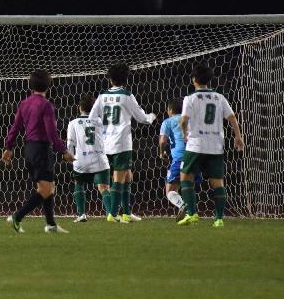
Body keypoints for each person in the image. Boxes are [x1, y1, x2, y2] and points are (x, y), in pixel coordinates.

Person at [3, 69, 74, 234]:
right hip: (41, 148)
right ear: (49, 85)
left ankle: (51, 225)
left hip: (29, 149)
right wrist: (63, 150)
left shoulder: (24, 103)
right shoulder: (46, 105)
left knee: (49, 187)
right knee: (45, 189)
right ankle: (17, 216)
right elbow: (51, 131)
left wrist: (8, 147)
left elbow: (15, 127)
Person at [178, 62, 245, 227]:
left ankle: (192, 213)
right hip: (216, 146)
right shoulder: (219, 97)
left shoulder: (190, 98)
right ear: (209, 80)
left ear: (194, 79)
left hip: (196, 145)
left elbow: (184, 120)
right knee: (217, 182)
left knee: (185, 177)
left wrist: (184, 133)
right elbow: (232, 118)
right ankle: (219, 219)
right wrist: (238, 136)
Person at [88, 63, 156, 222]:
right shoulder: (127, 95)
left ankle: (126, 212)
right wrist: (152, 116)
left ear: (110, 79)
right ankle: (112, 214)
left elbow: (91, 119)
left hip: (106, 143)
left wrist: (105, 126)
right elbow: (142, 118)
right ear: (125, 79)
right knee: (119, 178)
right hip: (122, 144)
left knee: (126, 177)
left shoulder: (102, 95)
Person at [67, 94, 118, 223]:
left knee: (78, 183)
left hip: (81, 160)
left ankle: (82, 214)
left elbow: (69, 144)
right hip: (99, 159)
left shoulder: (73, 123)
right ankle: (111, 214)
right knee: (104, 187)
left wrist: (71, 158)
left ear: (79, 108)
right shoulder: (100, 121)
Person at [158, 97, 202, 220]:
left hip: (179, 157)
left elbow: (162, 141)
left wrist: (161, 154)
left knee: (171, 190)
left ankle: (183, 205)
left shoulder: (168, 121)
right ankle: (192, 214)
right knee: (189, 187)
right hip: (195, 155)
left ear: (170, 110)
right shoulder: (190, 120)